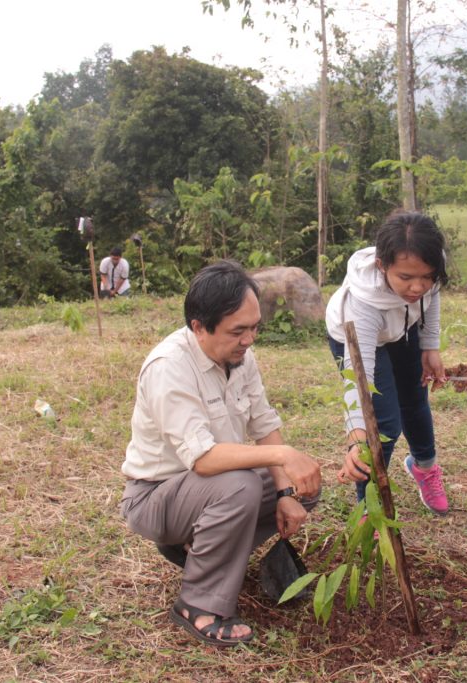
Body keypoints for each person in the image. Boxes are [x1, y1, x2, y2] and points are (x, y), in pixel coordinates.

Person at [119, 260, 322, 648]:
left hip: (206, 491)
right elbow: (204, 460)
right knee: (240, 486)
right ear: (199, 327)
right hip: (155, 497)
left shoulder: (239, 356)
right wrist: (282, 455)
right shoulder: (169, 367)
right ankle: (197, 605)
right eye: (238, 331)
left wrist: (285, 493)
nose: (249, 339)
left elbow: (263, 424)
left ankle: (201, 547)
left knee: (303, 485)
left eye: (254, 327)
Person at [326, 211, 450, 516]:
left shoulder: (426, 262)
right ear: (383, 266)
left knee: (416, 402)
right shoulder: (363, 304)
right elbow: (360, 380)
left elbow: (431, 300)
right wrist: (356, 437)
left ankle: (424, 469)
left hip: (402, 329)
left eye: (426, 276)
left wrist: (430, 345)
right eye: (406, 278)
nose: (418, 286)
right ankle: (369, 503)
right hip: (358, 338)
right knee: (383, 424)